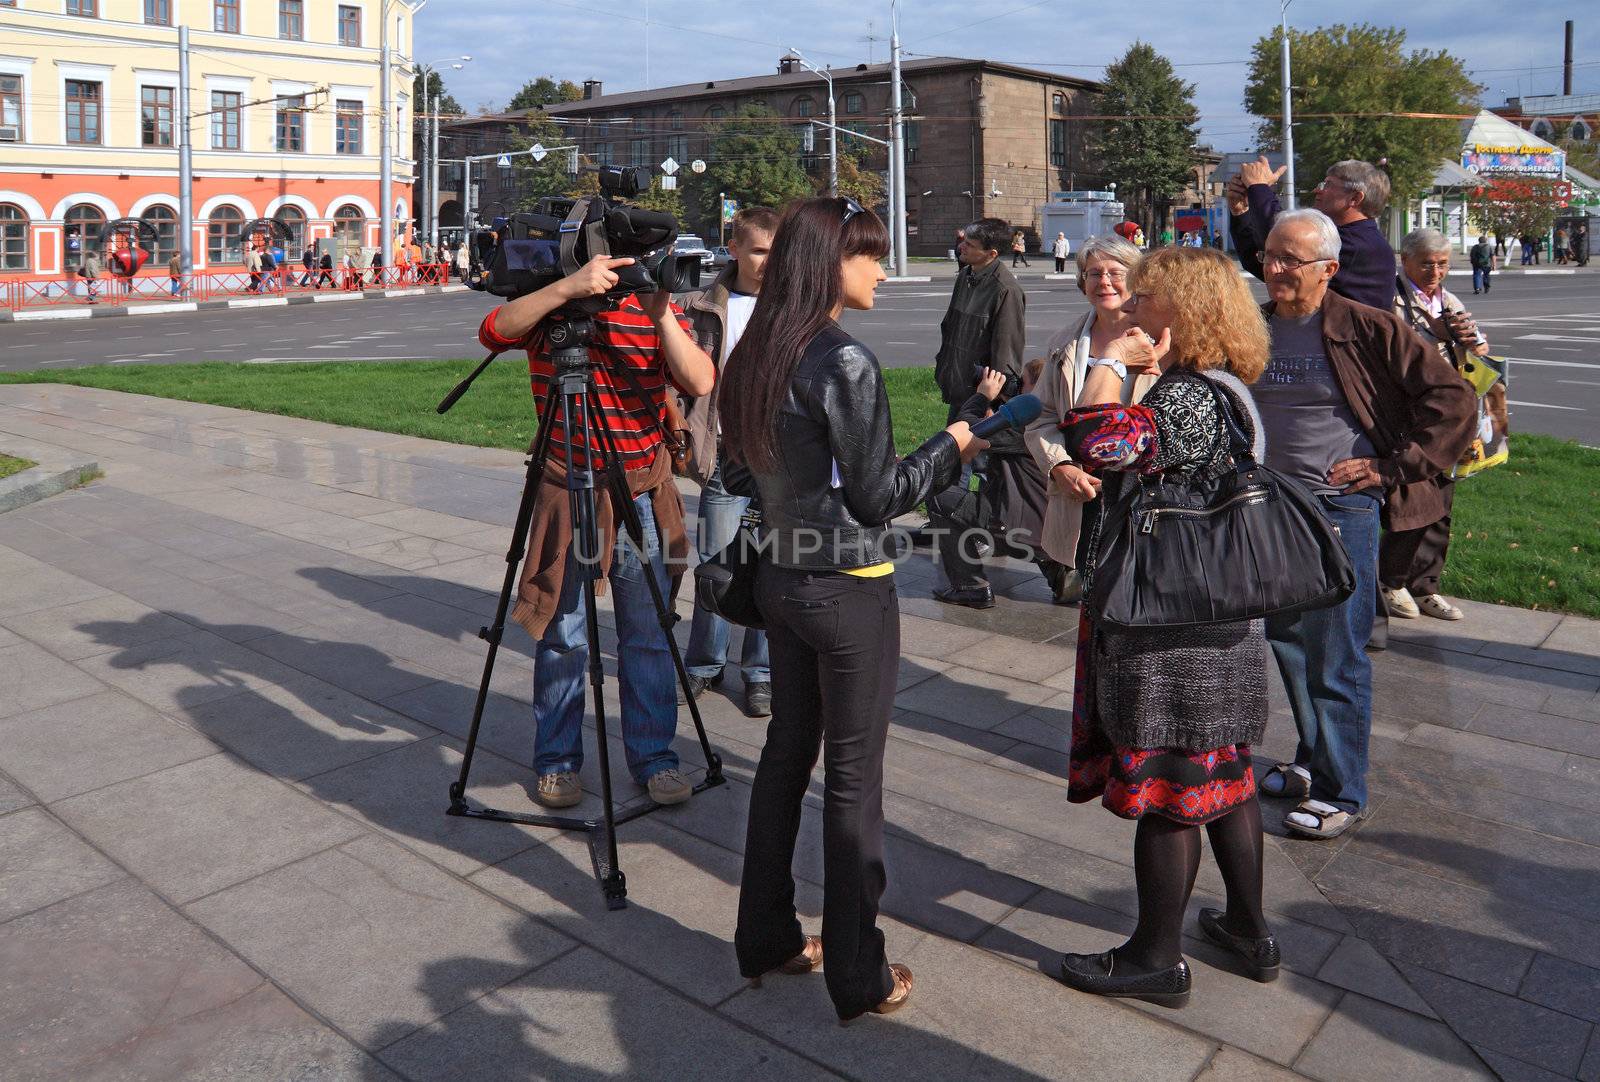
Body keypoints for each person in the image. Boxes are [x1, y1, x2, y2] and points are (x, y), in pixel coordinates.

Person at [718, 196, 984, 1022]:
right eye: (868, 255)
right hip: (847, 590)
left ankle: (766, 937)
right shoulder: (842, 360)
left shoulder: (757, 345)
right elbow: (878, 499)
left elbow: (732, 476)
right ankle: (859, 975)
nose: (879, 271)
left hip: (781, 584)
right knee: (852, 784)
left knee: (784, 756)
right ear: (830, 264)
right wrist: (954, 445)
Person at [1051, 246, 1277, 1008]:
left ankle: (1155, 957)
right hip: (1221, 615)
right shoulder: (1224, 389)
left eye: (1143, 296)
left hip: (1176, 626)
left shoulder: (1185, 396)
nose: (1128, 306)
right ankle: (1248, 930)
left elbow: (1097, 441)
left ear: (1178, 309)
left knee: (1173, 784)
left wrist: (1109, 357)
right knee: (1227, 777)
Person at [1251, 209, 1474, 839]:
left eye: (1291, 259)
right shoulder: (1255, 328)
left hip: (1338, 509)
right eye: (1270, 255)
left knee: (1336, 653)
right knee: (1289, 643)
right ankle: (1313, 759)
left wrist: (1391, 467)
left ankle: (1341, 791)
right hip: (1271, 509)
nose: (1274, 269)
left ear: (1328, 268)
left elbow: (1454, 397)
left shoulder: (1367, 328)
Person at [475, 253, 716, 811]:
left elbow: (701, 378)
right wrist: (566, 289)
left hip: (638, 491)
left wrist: (658, 315)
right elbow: (493, 331)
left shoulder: (652, 309)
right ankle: (557, 762)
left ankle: (655, 757)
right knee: (563, 636)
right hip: (567, 489)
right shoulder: (553, 309)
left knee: (648, 635)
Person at [677, 206, 780, 717]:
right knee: (716, 567)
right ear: (734, 247)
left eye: (775, 251)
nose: (767, 261)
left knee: (767, 568)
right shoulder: (702, 306)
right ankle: (704, 664)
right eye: (759, 249)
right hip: (723, 456)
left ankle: (759, 672)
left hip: (778, 460)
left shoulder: (792, 307)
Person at [1025, 235, 1157, 605]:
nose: (1104, 282)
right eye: (1093, 273)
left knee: (1138, 604)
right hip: (1082, 497)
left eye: (1116, 272)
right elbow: (1042, 417)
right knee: (1095, 607)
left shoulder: (1162, 338)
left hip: (1145, 502)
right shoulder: (1065, 343)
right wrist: (1059, 466)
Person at [1381, 228, 1494, 624]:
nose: (1435, 271)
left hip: (1449, 415)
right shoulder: (1390, 298)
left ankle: (1426, 584)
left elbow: (1479, 349)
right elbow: (1396, 355)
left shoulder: (1448, 300)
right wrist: (1435, 338)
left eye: (1443, 263)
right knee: (1413, 502)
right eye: (1427, 263)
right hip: (1409, 417)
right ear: (1405, 260)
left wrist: (1473, 344)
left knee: (1442, 503)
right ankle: (1390, 581)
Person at [926, 358, 1066, 607]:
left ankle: (969, 586)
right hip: (1060, 530)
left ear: (1036, 391)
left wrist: (982, 397)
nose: (1014, 387)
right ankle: (1060, 571)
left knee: (940, 495)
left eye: (1021, 383)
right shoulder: (1063, 419)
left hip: (1021, 532)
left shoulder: (1025, 425)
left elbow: (961, 433)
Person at [1229, 156, 1398, 310]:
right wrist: (1241, 212)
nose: (1317, 190)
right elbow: (1260, 262)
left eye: (1328, 184)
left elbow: (1282, 234)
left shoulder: (1360, 245)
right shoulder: (1355, 237)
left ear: (1355, 198)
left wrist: (1258, 187)